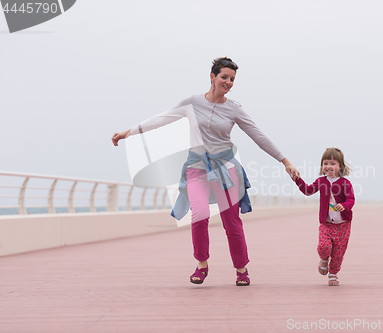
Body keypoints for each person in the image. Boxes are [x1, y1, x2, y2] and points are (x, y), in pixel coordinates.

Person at [111, 57, 300, 286]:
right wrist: (128, 132)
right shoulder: (192, 103)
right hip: (196, 167)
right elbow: (162, 118)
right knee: (199, 214)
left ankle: (241, 270)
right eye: (224, 77)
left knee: (231, 222)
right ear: (212, 76)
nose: (228, 82)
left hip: (226, 169)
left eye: (232, 79)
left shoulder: (234, 109)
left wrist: (284, 161)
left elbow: (258, 136)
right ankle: (201, 265)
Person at [292, 148, 354, 286]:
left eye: (333, 163)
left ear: (340, 166)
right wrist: (297, 179)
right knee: (323, 246)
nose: (329, 166)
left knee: (338, 253)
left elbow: (351, 199)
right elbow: (307, 191)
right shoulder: (321, 181)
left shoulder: (345, 183)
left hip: (343, 225)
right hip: (326, 224)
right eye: (325, 163)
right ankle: (324, 260)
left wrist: (345, 205)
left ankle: (333, 274)